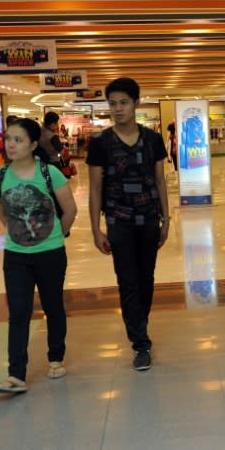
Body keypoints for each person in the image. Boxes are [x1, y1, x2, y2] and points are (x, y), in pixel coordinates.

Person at [86, 77, 170, 371]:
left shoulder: (153, 140)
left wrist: (166, 217)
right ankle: (140, 343)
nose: (118, 108)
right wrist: (95, 229)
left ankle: (140, 326)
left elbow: (160, 180)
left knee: (146, 280)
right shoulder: (100, 143)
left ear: (136, 103)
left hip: (148, 219)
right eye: (112, 103)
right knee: (128, 283)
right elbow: (95, 188)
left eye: (123, 102)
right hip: (118, 221)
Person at [0, 118, 77, 393]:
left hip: (50, 253)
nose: (11, 145)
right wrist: (21, 236)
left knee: (53, 306)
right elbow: (2, 214)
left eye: (18, 140)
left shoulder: (50, 173)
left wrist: (53, 237)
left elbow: (70, 210)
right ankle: (16, 374)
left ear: (33, 144)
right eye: (9, 139)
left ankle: (55, 358)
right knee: (18, 311)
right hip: (15, 255)